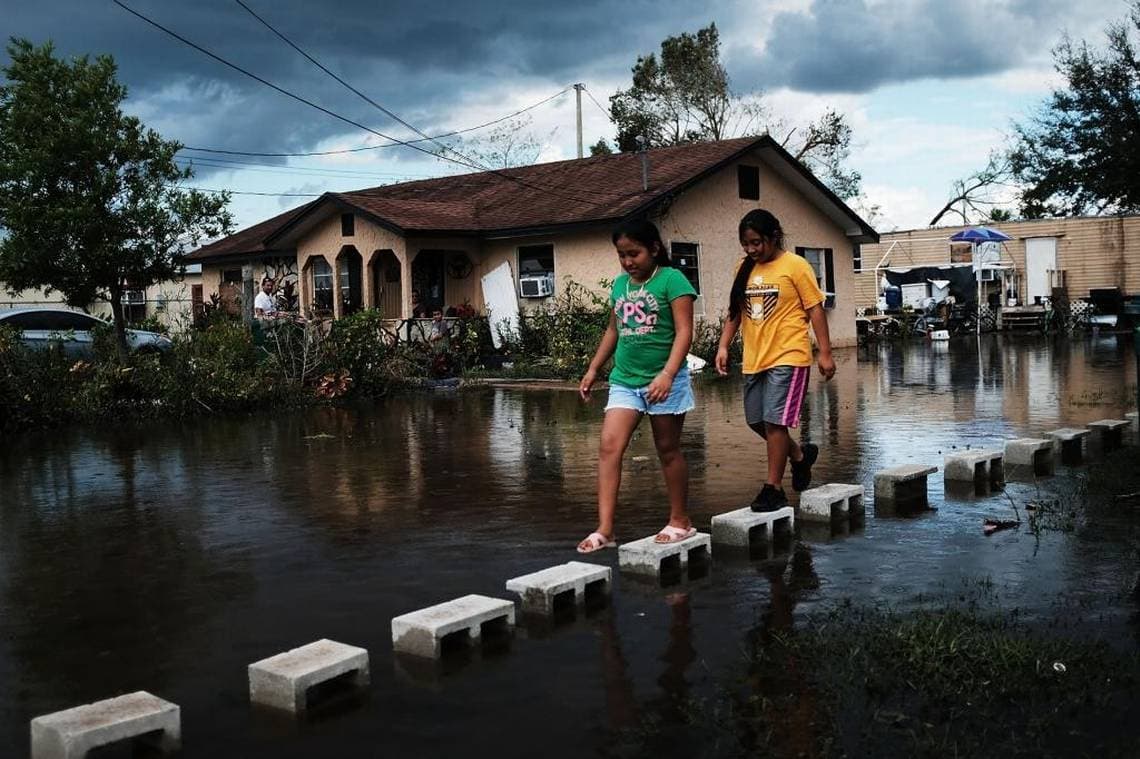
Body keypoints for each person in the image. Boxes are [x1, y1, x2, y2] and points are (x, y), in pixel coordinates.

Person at [577, 218, 697, 553]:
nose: (629, 261)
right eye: (622, 255)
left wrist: (668, 375)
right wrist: (593, 368)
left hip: (665, 380)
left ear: (654, 249)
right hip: (624, 381)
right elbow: (613, 330)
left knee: (667, 449)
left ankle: (680, 521)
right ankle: (606, 529)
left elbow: (685, 332)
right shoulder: (619, 286)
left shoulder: (673, 280)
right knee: (608, 448)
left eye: (635, 253)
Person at [715, 209, 835, 513]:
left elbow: (815, 309)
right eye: (746, 244)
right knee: (756, 420)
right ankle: (799, 456)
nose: (752, 249)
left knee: (774, 422)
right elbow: (735, 311)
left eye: (757, 243)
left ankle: (773, 489)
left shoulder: (795, 266)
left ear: (773, 236)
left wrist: (825, 352)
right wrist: (723, 346)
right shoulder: (743, 268)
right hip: (755, 357)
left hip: (789, 355)